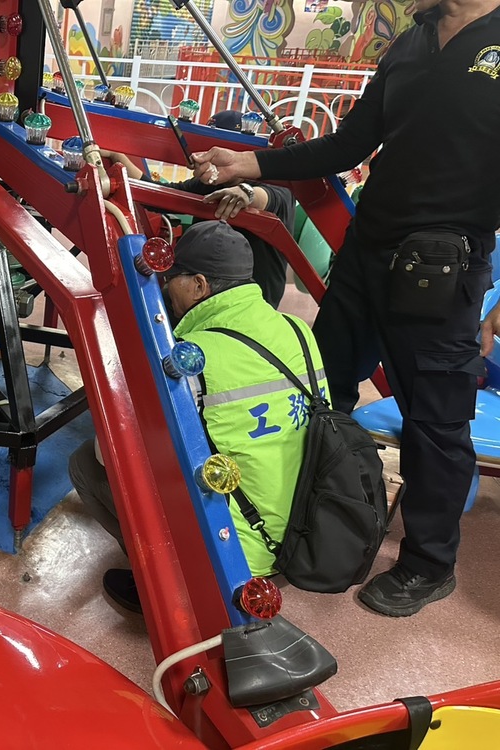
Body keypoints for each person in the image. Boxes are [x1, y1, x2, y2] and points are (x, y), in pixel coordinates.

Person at [190, 0, 500, 616]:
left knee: (435, 423)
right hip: (367, 257)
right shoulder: (411, 42)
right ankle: (306, 518)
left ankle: (429, 564)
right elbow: (351, 142)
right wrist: (251, 163)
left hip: (444, 273)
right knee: (320, 391)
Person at [69, 222, 327, 612]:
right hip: (307, 531)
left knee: (86, 463)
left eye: (171, 279)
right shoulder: (297, 330)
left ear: (200, 285)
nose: (165, 289)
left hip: (237, 553)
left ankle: (164, 583)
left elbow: (113, 455)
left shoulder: (193, 357)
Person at [105, 109, 296, 308]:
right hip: (203, 292)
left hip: (252, 303)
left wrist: (246, 193)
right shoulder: (214, 180)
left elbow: (269, 198)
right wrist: (118, 157)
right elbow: (160, 196)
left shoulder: (278, 185)